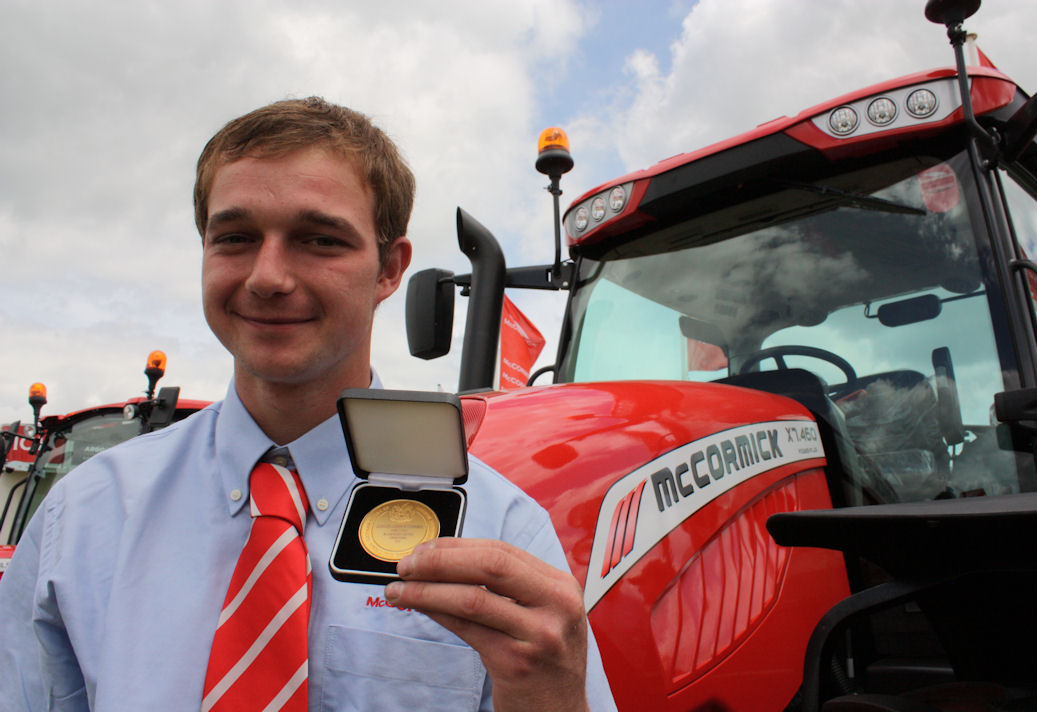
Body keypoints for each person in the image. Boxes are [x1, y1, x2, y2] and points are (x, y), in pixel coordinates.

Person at [0, 97, 616, 711]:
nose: (267, 276)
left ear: (389, 270)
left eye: (319, 240)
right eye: (235, 238)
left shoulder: (505, 536)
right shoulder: (78, 523)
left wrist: (552, 697)